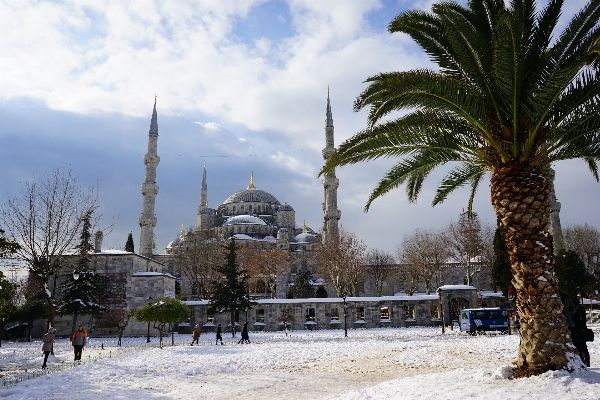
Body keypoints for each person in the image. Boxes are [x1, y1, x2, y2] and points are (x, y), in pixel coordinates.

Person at [572, 302, 591, 367]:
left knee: (581, 347)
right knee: (583, 347)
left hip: (579, 330)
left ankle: (584, 362)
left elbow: (581, 319)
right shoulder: (578, 307)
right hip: (580, 329)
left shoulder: (577, 308)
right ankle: (585, 362)